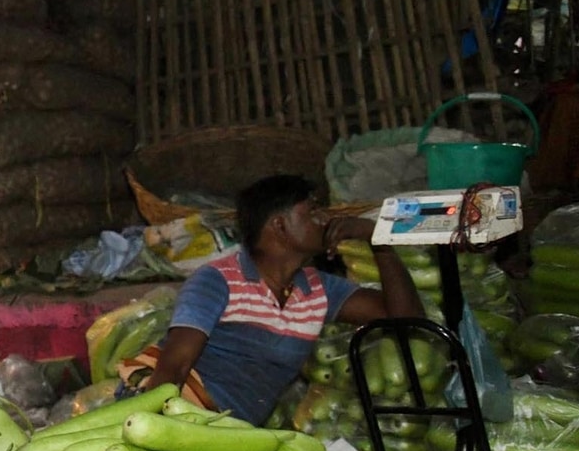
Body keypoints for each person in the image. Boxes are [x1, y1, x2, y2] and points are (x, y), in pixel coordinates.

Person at [126, 174, 423, 425]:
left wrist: (378, 242)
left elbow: (407, 321)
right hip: (180, 414)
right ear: (280, 226)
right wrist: (156, 435)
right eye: (313, 212)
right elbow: (175, 365)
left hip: (228, 430)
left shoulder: (319, 289)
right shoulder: (217, 280)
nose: (326, 220)